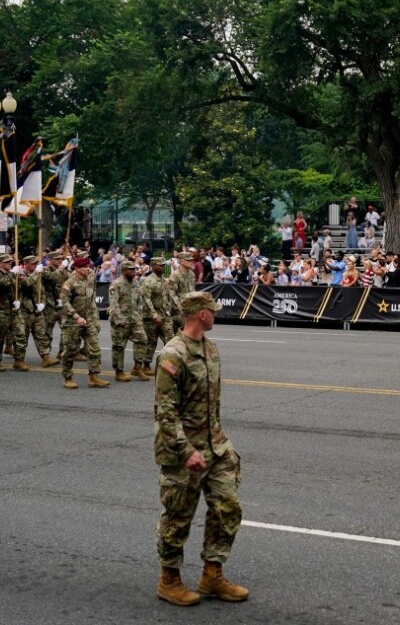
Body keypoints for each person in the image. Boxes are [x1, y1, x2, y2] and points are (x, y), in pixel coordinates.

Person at [153, 291, 248, 607]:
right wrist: (185, 450)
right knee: (177, 517)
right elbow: (166, 411)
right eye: (212, 311)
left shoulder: (210, 349)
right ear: (201, 315)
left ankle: (212, 574)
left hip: (215, 447)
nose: (216, 314)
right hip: (184, 452)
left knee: (228, 507)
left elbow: (212, 405)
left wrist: (223, 445)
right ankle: (169, 581)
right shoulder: (172, 355)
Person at [60, 257, 109, 389]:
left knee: (94, 349)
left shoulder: (90, 278)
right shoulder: (70, 283)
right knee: (69, 352)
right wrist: (76, 317)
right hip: (72, 323)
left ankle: (93, 377)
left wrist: (94, 317)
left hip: (88, 321)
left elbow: (92, 297)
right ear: (76, 268)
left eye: (89, 266)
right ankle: (68, 378)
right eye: (84, 267)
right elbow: (64, 302)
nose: (88, 268)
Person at [109, 261, 149, 382]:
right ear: (124, 270)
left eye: (134, 269)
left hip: (135, 320)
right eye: (130, 270)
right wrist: (119, 320)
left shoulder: (135, 283)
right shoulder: (116, 284)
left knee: (142, 340)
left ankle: (137, 367)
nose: (133, 271)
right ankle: (119, 371)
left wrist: (139, 315)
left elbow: (138, 301)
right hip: (121, 321)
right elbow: (114, 304)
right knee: (119, 346)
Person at [14, 255, 49, 370]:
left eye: (36, 263)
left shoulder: (38, 274)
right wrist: (36, 273)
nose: (35, 265)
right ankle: (19, 360)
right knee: (22, 336)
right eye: (32, 263)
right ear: (26, 264)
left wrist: (42, 303)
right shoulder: (21, 274)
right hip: (25, 309)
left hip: (36, 309)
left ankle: (45, 357)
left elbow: (42, 291)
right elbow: (26, 284)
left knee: (41, 334)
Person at [140, 257, 176, 368]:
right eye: (161, 265)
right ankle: (146, 364)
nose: (163, 267)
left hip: (165, 316)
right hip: (150, 317)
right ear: (153, 266)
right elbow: (146, 299)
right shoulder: (148, 281)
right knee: (152, 342)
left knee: (171, 340)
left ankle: (169, 365)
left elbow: (169, 298)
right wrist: (154, 315)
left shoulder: (164, 281)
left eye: (164, 265)